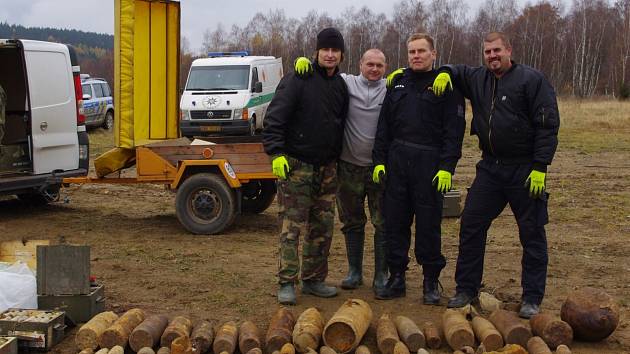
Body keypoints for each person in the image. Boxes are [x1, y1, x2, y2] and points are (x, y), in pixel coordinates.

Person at [431, 32, 560, 318]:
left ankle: (531, 297)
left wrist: (540, 167)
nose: (492, 56)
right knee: (471, 225)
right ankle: (466, 288)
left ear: (509, 50)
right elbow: (454, 69)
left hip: (525, 169)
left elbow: (547, 125)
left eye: (497, 50)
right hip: (490, 167)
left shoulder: (532, 80)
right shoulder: (478, 78)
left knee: (532, 233)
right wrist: (444, 73)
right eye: (487, 52)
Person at [372, 33, 465, 304]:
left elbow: (453, 131)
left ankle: (430, 282)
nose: (416, 56)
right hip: (397, 162)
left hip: (430, 165)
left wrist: (447, 166)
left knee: (428, 226)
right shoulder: (397, 83)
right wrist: (379, 161)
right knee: (395, 224)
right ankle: (397, 277)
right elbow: (383, 128)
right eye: (412, 51)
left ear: (433, 54)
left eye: (422, 51)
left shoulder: (445, 85)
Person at [262, 27, 349, 305]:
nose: (330, 54)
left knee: (322, 228)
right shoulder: (298, 79)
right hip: (297, 167)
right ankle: (287, 282)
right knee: (292, 228)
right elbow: (274, 118)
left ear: (341, 55)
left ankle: (313, 280)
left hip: (327, 168)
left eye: (335, 50)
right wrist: (276, 153)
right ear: (317, 52)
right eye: (326, 49)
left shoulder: (340, 86)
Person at [294, 49, 389, 293]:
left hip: (380, 168)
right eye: (370, 64)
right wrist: (304, 61)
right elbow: (324, 72)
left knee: (383, 222)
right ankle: (354, 272)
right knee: (351, 221)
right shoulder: (346, 83)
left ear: (386, 68)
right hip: (348, 167)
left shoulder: (391, 87)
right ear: (360, 64)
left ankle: (381, 275)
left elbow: (419, 74)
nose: (374, 69)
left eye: (379, 65)